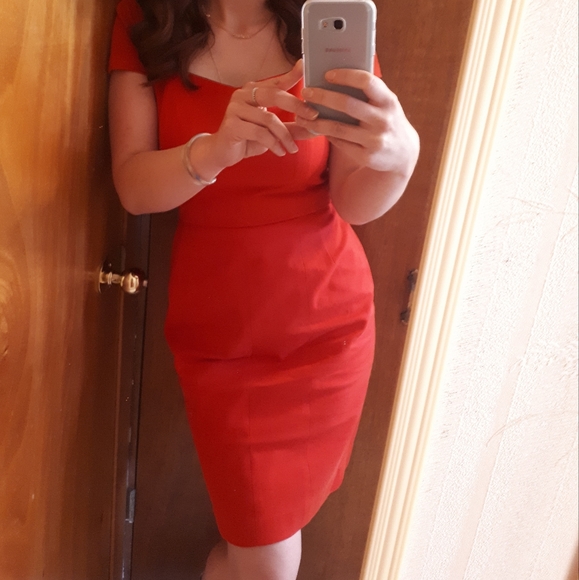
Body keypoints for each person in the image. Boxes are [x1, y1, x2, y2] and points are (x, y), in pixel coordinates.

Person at [108, 0, 419, 578]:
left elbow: (352, 201)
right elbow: (133, 185)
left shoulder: (328, 29)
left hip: (328, 332)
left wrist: (400, 161)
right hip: (221, 340)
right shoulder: (148, 16)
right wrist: (214, 151)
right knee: (267, 559)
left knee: (267, 552)